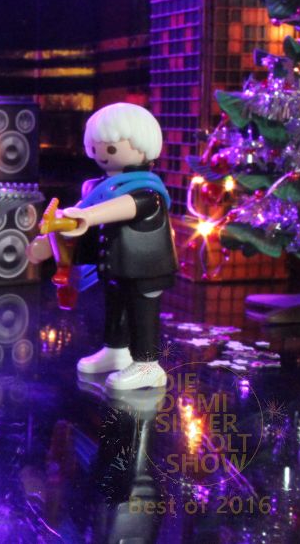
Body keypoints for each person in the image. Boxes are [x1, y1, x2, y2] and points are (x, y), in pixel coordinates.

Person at [28, 103, 177, 390]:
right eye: (95, 149)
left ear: (143, 147)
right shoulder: (99, 187)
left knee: (142, 314)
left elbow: (126, 206)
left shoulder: (148, 191)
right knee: (115, 308)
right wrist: (53, 235)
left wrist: (86, 216)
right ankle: (116, 350)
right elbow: (78, 215)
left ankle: (148, 365)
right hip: (115, 265)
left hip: (145, 268)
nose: (102, 155)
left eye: (110, 148)